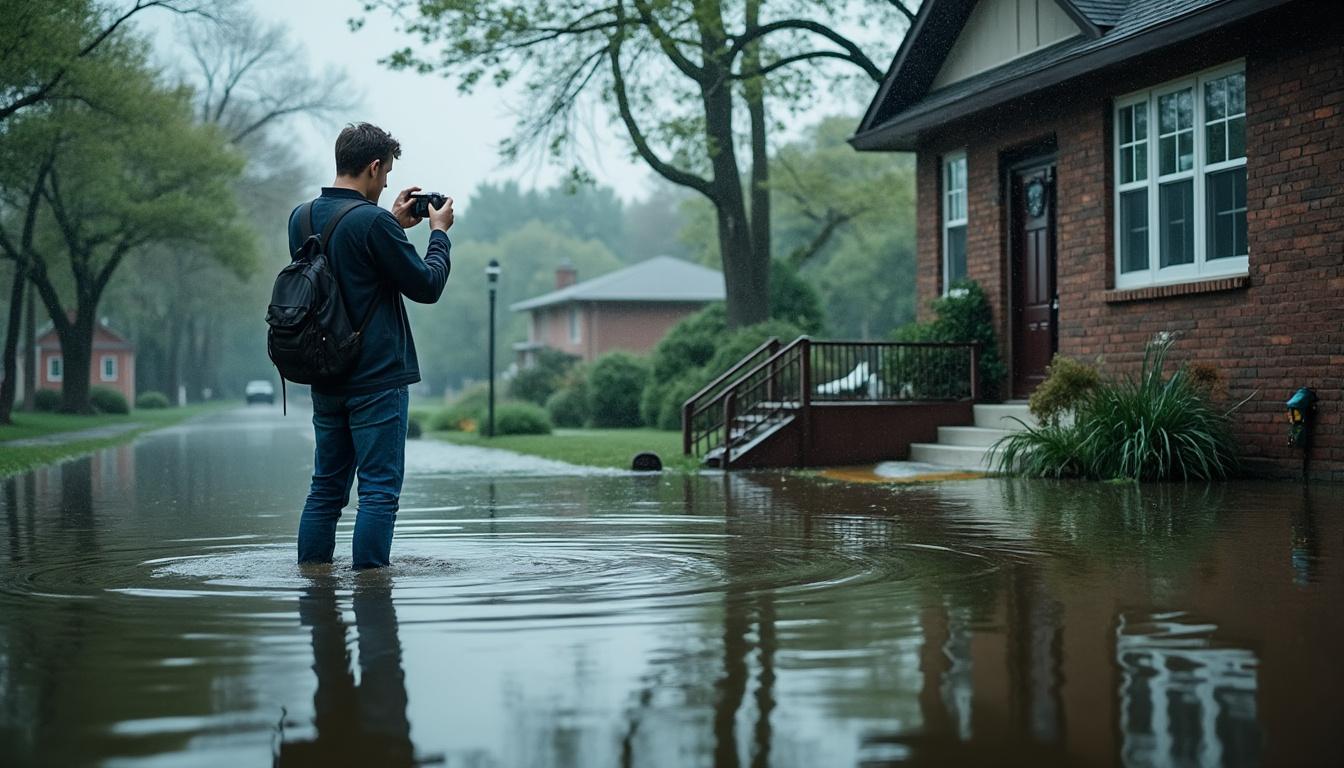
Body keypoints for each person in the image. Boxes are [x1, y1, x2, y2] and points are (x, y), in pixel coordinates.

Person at [288, 122, 453, 569]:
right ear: (374, 166)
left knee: (326, 487)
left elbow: (344, 266)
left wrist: (394, 226)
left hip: (325, 375)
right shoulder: (372, 222)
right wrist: (438, 233)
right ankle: (371, 592)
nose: (386, 185)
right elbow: (427, 285)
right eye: (386, 175)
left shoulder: (301, 217)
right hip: (377, 377)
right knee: (378, 491)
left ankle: (313, 584)